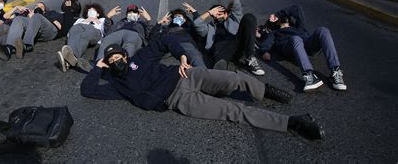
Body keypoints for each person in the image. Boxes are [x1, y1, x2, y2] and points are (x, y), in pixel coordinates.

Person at [81, 37, 325, 141]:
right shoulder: (117, 86)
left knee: (233, 79)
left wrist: (184, 57)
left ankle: (267, 91)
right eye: (111, 61)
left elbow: (165, 40)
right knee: (233, 110)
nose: (116, 61)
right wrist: (97, 68)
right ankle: (293, 122)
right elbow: (88, 90)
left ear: (126, 54)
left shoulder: (141, 58)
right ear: (108, 65)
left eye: (118, 57)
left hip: (187, 75)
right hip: (178, 100)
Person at [258, 5, 347, 92]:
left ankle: (335, 71)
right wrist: (264, 51)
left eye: (284, 16)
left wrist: (277, 14)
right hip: (289, 47)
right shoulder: (275, 33)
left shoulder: (298, 27)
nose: (282, 18)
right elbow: (266, 44)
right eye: (280, 18)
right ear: (276, 23)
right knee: (296, 38)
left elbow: (297, 8)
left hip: (306, 46)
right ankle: (309, 75)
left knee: (323, 30)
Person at [192, 0, 265, 75]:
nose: (217, 16)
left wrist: (230, 4)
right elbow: (197, 24)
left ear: (226, 13)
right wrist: (209, 12)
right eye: (214, 15)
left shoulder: (234, 19)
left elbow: (236, 2)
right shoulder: (210, 28)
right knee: (219, 41)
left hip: (237, 46)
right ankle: (221, 66)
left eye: (219, 14)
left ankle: (250, 58)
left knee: (249, 17)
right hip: (222, 50)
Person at [0, 0, 81, 60]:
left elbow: (64, 28)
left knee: (37, 17)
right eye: (36, 6)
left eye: (41, 6)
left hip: (51, 31)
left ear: (45, 10)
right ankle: (9, 49)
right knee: (19, 19)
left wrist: (68, 8)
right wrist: (27, 15)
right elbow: (6, 17)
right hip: (36, 31)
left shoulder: (55, 14)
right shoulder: (31, 15)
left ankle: (26, 45)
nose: (38, 7)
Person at [57, 3, 118, 72]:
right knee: (75, 28)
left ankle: (72, 55)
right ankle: (68, 61)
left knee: (87, 32)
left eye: (93, 11)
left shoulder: (102, 20)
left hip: (95, 32)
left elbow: (108, 31)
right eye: (89, 11)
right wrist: (85, 21)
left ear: (98, 14)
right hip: (81, 30)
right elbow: (71, 33)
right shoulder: (80, 20)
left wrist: (108, 17)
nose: (91, 12)